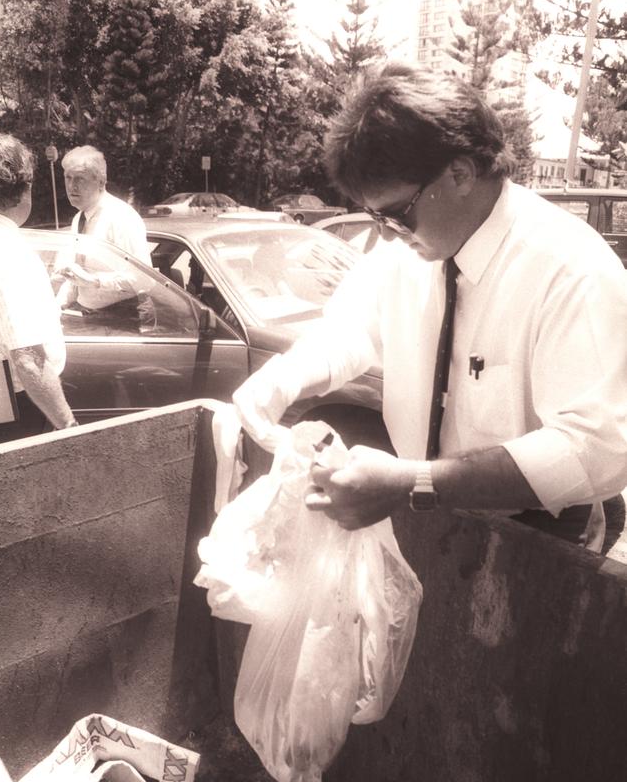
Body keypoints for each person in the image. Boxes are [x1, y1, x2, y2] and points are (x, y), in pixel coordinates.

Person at [232, 64, 627, 552]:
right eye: (375, 216)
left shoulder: (572, 269)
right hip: (428, 511)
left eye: (395, 214)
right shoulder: (407, 249)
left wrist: (414, 482)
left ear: (459, 173)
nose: (384, 233)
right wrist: (281, 380)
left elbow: (596, 448)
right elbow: (351, 330)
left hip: (543, 533)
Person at [0, 132, 76, 447]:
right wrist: (68, 426)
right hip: (7, 419)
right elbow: (29, 360)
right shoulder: (13, 254)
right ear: (24, 189)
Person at [55, 145, 154, 328]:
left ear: (101, 182)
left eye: (80, 179)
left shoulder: (121, 217)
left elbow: (144, 278)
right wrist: (57, 305)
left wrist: (95, 281)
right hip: (93, 317)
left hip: (124, 317)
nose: (72, 186)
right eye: (68, 178)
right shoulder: (79, 218)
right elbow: (77, 275)